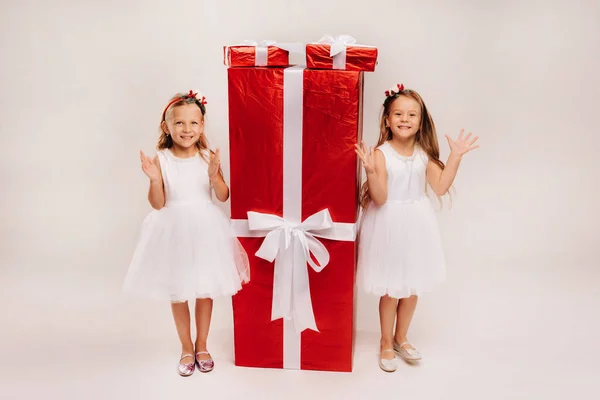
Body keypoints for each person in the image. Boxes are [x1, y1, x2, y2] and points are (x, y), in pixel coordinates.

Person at [123, 90, 250, 376]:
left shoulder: (208, 158)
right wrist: (155, 179)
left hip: (206, 230)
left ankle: (202, 344)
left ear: (202, 126)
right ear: (167, 127)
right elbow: (158, 204)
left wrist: (215, 174)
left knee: (205, 289)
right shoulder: (162, 159)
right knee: (178, 291)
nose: (187, 129)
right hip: (173, 231)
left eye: (193, 123)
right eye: (179, 123)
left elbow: (224, 195)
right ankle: (185, 347)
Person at [355, 84, 479, 372]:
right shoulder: (381, 154)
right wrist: (371, 171)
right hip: (388, 223)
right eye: (398, 113)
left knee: (412, 288)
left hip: (418, 224)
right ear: (387, 120)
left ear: (421, 121)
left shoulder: (423, 154)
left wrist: (455, 157)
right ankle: (385, 341)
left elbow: (440, 185)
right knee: (391, 288)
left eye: (412, 114)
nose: (405, 119)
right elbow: (381, 197)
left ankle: (401, 337)